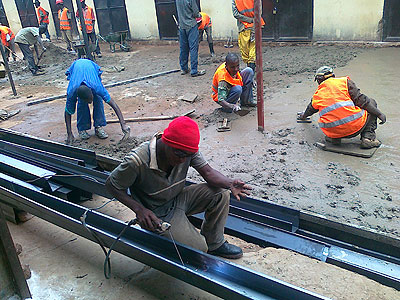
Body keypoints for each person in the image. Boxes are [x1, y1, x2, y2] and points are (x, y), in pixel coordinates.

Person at [106, 116, 251, 259]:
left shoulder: (185, 149)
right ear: (166, 142)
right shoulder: (137, 161)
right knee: (198, 251)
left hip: (178, 198)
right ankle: (182, 240)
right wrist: (139, 210)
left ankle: (215, 243)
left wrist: (229, 183)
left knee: (221, 192)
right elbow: (112, 185)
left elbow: (208, 172)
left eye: (188, 156)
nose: (183, 160)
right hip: (157, 212)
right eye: (179, 154)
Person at [298, 66, 386, 149]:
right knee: (371, 102)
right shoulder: (344, 82)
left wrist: (303, 116)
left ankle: (335, 139)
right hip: (354, 129)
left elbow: (310, 110)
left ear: (319, 80)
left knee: (332, 115)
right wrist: (379, 114)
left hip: (332, 133)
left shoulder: (317, 94)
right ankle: (368, 138)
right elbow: (362, 101)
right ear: (333, 76)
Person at [64, 59, 129, 143]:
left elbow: (113, 104)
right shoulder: (72, 92)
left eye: (90, 99)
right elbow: (67, 112)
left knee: (98, 99)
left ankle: (98, 126)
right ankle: (82, 129)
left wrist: (123, 125)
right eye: (88, 101)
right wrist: (69, 134)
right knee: (82, 104)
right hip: (76, 69)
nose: (90, 102)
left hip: (91, 67)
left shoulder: (97, 86)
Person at [232, 0, 265, 72]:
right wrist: (253, 20)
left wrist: (249, 20)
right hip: (255, 26)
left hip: (243, 27)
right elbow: (259, 11)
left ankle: (250, 72)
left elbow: (235, 14)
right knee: (253, 51)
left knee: (245, 52)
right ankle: (251, 72)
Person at [176, 0, 205, 77]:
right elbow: (196, 13)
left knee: (183, 48)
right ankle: (194, 70)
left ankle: (184, 68)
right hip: (191, 25)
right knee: (193, 48)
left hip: (182, 26)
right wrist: (199, 15)